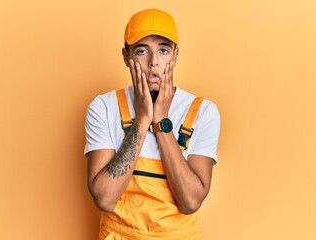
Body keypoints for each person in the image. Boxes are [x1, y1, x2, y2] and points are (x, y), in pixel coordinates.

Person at [85, 8, 220, 240]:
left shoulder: (202, 112)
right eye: (141, 50)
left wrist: (160, 121)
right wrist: (142, 120)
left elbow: (190, 201)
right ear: (126, 56)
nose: (154, 62)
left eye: (164, 50)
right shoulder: (103, 107)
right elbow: (105, 199)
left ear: (175, 55)